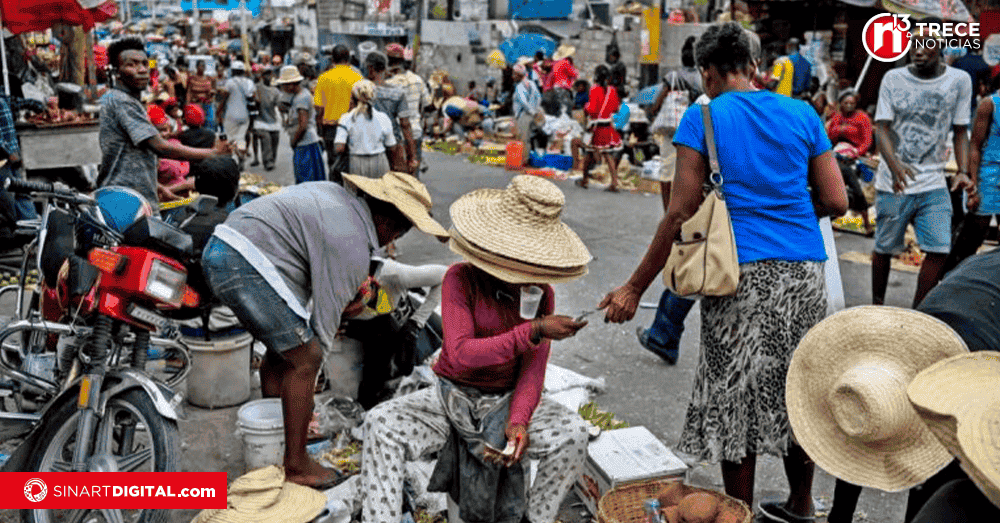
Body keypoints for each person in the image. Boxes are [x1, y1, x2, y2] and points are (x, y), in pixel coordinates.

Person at [600, 22, 847, 521]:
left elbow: (681, 211)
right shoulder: (802, 112)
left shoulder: (703, 117)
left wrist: (633, 288)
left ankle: (739, 511)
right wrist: (789, 216)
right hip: (804, 276)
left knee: (735, 396)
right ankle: (801, 504)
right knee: (797, 387)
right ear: (754, 67)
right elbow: (837, 200)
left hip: (738, 277)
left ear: (707, 71)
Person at [359, 175, 591, 523]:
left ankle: (536, 519)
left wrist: (519, 421)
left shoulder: (541, 290)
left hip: (507, 397)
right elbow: (462, 353)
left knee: (573, 434)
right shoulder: (459, 279)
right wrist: (535, 330)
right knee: (381, 424)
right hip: (453, 393)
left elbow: (532, 370)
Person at [201, 171, 449, 489]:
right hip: (246, 261)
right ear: (391, 228)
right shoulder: (353, 245)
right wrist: (310, 394)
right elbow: (323, 332)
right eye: (399, 235)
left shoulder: (336, 197)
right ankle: (296, 463)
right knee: (306, 358)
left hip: (224, 244)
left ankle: (281, 435)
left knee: (285, 351)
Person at [819, 248, 1000, 523]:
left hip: (925, 335)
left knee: (876, 415)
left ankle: (840, 515)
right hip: (957, 350)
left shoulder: (979, 260)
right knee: (881, 417)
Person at [871, 23, 973, 308]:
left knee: (940, 248)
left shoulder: (959, 80)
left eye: (926, 45)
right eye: (913, 44)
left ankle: (918, 310)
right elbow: (881, 128)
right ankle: (876, 305)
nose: (917, 51)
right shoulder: (893, 78)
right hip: (893, 182)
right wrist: (895, 165)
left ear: (940, 49)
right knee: (884, 248)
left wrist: (963, 172)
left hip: (933, 181)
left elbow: (961, 130)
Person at [96, 36, 229, 206]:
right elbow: (160, 146)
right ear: (115, 72)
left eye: (145, 63)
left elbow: (132, 155)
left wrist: (157, 187)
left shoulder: (127, 100)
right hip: (125, 202)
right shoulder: (121, 101)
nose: (142, 69)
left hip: (136, 196)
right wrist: (213, 154)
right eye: (132, 64)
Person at [338, 256, 448, 409]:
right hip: (369, 327)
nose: (351, 311)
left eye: (353, 308)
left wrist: (416, 322)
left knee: (414, 363)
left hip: (400, 316)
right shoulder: (331, 297)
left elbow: (445, 275)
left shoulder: (393, 275)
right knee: (371, 384)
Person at [941, 80, 1000, 275]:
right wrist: (972, 182)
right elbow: (974, 145)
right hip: (989, 176)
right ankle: (950, 279)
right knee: (974, 233)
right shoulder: (990, 104)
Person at [334, 80, 402, 179]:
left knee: (357, 193)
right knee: (379, 192)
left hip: (356, 163)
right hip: (380, 162)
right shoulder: (383, 117)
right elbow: (392, 146)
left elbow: (339, 148)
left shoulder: (346, 119)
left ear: (353, 98)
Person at [314, 44, 362, 177]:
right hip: (352, 128)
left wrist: (320, 129)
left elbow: (319, 108)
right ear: (349, 59)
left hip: (331, 129)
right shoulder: (357, 78)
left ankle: (335, 193)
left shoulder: (324, 78)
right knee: (351, 164)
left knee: (333, 165)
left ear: (332, 60)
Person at [365, 52, 415, 174]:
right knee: (395, 181)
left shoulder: (362, 91)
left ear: (370, 68)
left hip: (367, 143)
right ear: (384, 68)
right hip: (393, 143)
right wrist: (411, 155)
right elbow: (405, 125)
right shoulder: (397, 93)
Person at [274, 65, 326, 184]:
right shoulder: (301, 95)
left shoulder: (301, 98)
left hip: (305, 143)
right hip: (307, 142)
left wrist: (294, 141)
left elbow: (303, 125)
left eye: (284, 85)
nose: (283, 88)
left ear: (291, 84)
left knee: (306, 179)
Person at [577, 65, 623, 192]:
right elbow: (616, 109)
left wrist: (585, 107)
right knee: (608, 155)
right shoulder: (612, 90)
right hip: (608, 127)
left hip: (596, 128)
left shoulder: (594, 89)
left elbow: (592, 110)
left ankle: (584, 180)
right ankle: (614, 182)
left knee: (589, 153)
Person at [386, 43, 428, 175]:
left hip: (395, 137)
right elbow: (427, 103)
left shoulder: (389, 84)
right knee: (413, 175)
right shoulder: (417, 80)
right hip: (415, 132)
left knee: (396, 176)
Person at [216, 61, 256, 168]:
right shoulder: (249, 82)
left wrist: (218, 111)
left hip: (231, 116)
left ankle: (234, 159)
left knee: (232, 138)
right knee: (241, 139)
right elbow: (255, 99)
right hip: (245, 116)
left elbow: (224, 99)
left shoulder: (229, 83)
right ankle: (241, 157)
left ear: (233, 71)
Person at [253, 67, 282, 171]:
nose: (269, 77)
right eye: (266, 75)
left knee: (275, 140)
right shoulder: (257, 88)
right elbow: (252, 101)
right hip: (260, 121)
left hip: (272, 120)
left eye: (270, 75)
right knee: (266, 140)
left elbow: (279, 104)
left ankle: (272, 160)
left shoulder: (275, 91)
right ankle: (268, 161)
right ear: (262, 76)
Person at [512, 64, 542, 165]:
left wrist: (532, 112)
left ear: (518, 75)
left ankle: (524, 160)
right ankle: (529, 158)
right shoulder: (532, 84)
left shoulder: (520, 86)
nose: (513, 76)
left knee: (524, 139)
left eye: (514, 74)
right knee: (530, 137)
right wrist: (536, 110)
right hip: (533, 113)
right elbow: (538, 98)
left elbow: (523, 102)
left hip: (525, 115)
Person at [544, 45, 577, 116]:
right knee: (564, 108)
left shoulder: (556, 63)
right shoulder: (566, 62)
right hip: (563, 87)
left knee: (557, 106)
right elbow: (573, 74)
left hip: (556, 86)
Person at [186, 59, 216, 132]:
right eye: (200, 65)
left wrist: (212, 93)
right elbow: (189, 92)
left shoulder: (210, 79)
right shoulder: (192, 78)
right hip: (196, 104)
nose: (202, 67)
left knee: (210, 122)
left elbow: (214, 90)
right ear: (196, 67)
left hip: (207, 104)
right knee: (197, 123)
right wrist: (187, 104)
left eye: (203, 65)